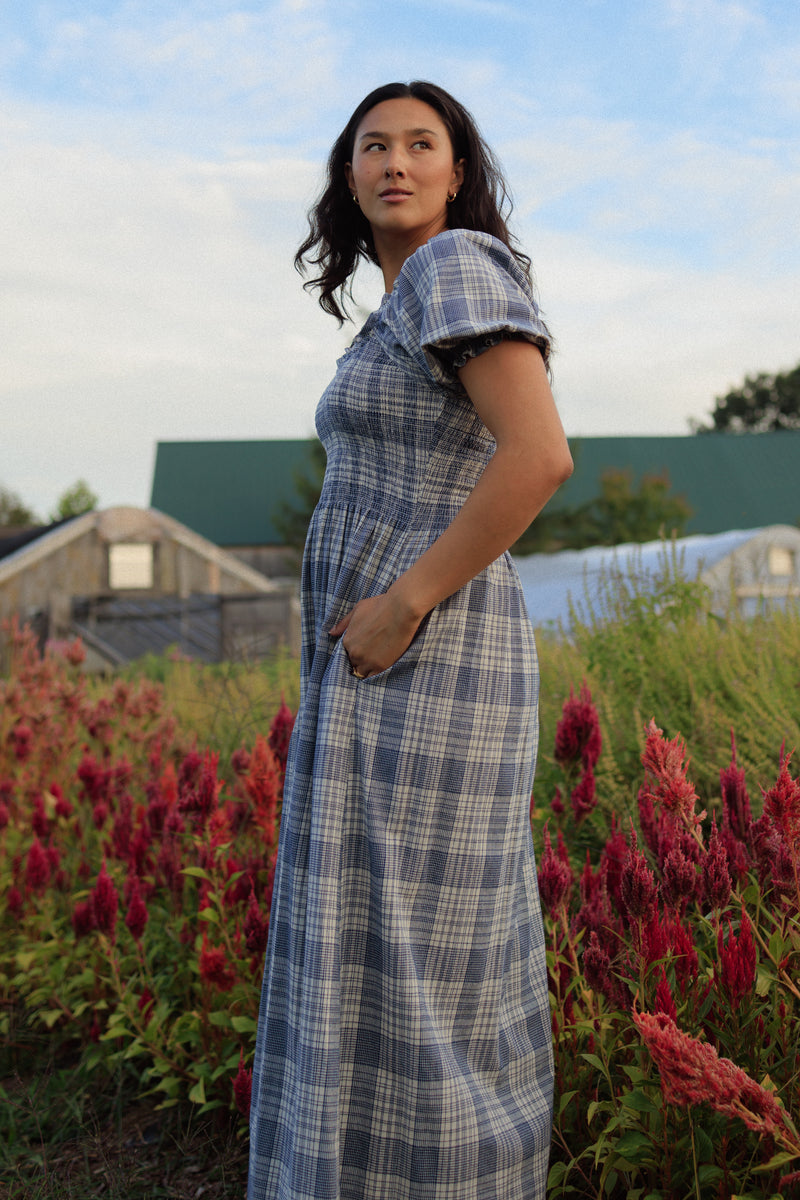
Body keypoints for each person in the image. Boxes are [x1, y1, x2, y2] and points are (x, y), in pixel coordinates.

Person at [248, 80, 573, 1200]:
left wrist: (405, 600)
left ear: (454, 171)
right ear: (347, 177)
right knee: (381, 948)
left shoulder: (455, 267)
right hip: (385, 670)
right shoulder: (397, 304)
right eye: (371, 145)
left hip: (428, 661)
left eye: (419, 144)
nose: (394, 160)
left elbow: (535, 456)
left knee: (426, 965)